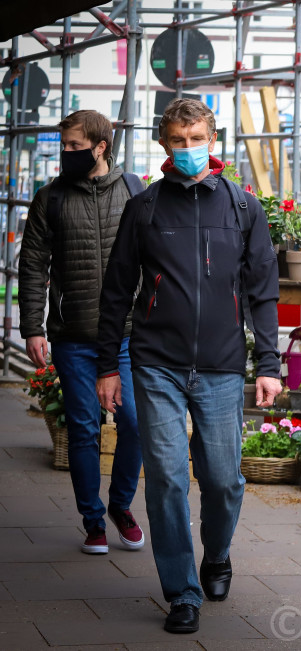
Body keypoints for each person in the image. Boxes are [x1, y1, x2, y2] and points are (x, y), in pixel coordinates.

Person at [95, 98, 283, 635]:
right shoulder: (146, 209)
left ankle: (217, 554)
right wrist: (109, 363)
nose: (188, 150)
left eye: (196, 139)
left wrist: (268, 362)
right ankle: (181, 591)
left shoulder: (244, 209)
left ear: (213, 139)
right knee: (167, 479)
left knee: (223, 480)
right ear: (163, 144)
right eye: (178, 141)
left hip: (223, 365)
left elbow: (263, 292)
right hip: (156, 363)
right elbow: (116, 292)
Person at [19, 110, 146, 555]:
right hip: (72, 335)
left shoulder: (134, 191)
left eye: (74, 146)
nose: (66, 154)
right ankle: (93, 521)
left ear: (100, 147)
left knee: (134, 422)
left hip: (128, 336)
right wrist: (32, 327)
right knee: (84, 428)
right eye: (64, 145)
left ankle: (120, 506)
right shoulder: (50, 198)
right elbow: (32, 265)